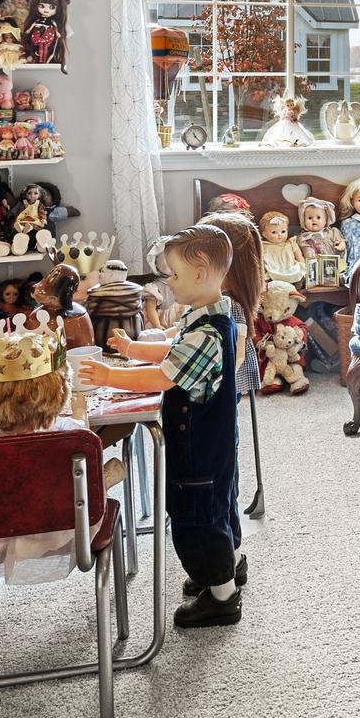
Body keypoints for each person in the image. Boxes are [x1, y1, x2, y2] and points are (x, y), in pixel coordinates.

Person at [79, 222, 255, 629]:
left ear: (199, 274)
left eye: (173, 276)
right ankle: (228, 565)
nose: (168, 283)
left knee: (197, 517)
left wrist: (109, 376)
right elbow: (172, 351)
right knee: (219, 505)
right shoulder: (211, 314)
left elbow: (163, 376)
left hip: (198, 449)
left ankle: (222, 597)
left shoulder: (208, 333)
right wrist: (132, 349)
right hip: (214, 443)